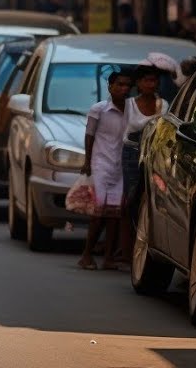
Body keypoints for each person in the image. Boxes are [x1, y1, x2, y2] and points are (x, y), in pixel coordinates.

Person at [80, 70, 132, 271]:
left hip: (120, 168)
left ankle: (109, 257)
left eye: (127, 85)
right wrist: (87, 161)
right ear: (110, 87)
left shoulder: (131, 110)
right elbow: (89, 135)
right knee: (98, 213)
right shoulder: (99, 109)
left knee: (114, 215)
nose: (123, 89)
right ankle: (86, 254)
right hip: (100, 165)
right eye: (119, 84)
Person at [118, 63, 168, 263]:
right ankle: (125, 250)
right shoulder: (128, 105)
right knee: (129, 200)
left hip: (154, 156)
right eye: (146, 80)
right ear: (138, 84)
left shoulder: (163, 105)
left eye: (153, 80)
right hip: (131, 154)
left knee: (149, 201)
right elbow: (120, 132)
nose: (150, 84)